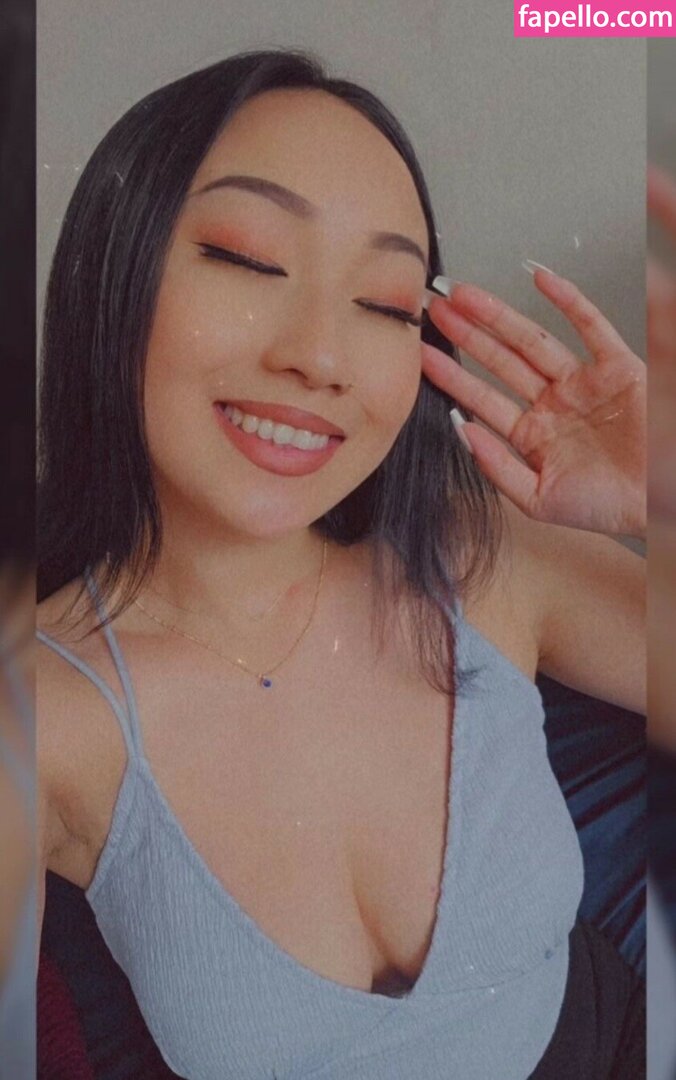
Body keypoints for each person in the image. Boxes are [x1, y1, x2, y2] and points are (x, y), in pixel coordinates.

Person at [36, 49, 645, 1079]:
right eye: (247, 258)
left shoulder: (477, 556)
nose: (321, 356)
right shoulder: (50, 710)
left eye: (387, 304)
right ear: (113, 271)